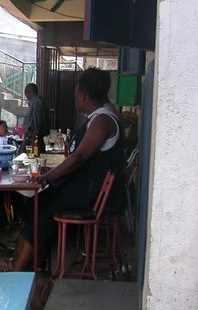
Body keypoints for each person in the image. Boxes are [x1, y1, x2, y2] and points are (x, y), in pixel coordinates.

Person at [9, 68, 125, 272]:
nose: (76, 98)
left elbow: (79, 157)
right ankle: (34, 265)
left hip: (90, 191)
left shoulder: (103, 120)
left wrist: (46, 177)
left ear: (84, 95)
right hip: (83, 187)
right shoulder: (101, 115)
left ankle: (16, 273)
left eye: (76, 94)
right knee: (32, 207)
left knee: (40, 213)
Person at [23, 83, 49, 153]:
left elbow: (36, 128)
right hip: (34, 141)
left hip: (34, 141)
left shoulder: (36, 103)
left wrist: (33, 147)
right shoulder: (38, 102)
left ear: (27, 92)